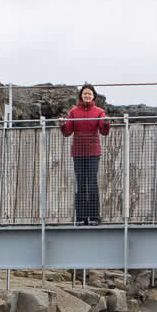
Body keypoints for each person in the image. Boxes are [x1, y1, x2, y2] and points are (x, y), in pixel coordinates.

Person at [60, 84, 110, 224]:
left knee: (92, 184)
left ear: (93, 96)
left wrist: (106, 123)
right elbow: (67, 132)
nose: (87, 96)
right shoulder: (74, 112)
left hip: (93, 152)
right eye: (84, 93)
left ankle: (94, 217)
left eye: (89, 94)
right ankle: (81, 218)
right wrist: (63, 124)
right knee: (81, 184)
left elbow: (103, 131)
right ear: (81, 96)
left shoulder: (100, 112)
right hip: (78, 152)